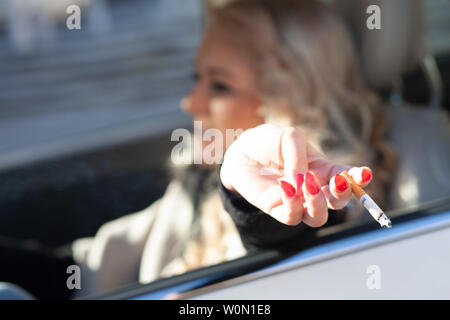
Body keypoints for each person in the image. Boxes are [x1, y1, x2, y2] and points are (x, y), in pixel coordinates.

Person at [0, 0, 396, 299]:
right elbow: (86, 270)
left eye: (219, 85)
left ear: (286, 99)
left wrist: (251, 205)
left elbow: (289, 242)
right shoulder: (196, 182)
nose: (191, 103)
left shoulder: (332, 196)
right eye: (197, 78)